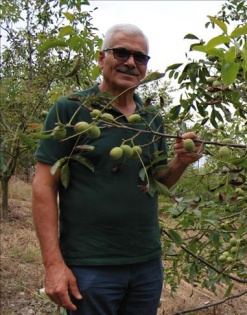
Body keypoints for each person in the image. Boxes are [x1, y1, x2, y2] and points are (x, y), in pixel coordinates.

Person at [32, 23, 202, 314]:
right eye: (121, 53)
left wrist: (179, 163)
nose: (130, 63)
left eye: (140, 57)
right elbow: (43, 186)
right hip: (90, 266)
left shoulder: (151, 119)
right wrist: (53, 264)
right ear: (101, 59)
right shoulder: (71, 109)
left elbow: (157, 181)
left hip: (146, 264)